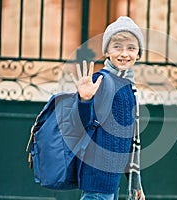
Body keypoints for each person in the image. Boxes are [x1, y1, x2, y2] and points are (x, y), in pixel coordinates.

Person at [71, 16, 146, 200]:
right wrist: (84, 100)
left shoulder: (128, 86)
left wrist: (136, 184)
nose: (124, 53)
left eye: (131, 48)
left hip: (112, 180)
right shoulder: (101, 81)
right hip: (98, 180)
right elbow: (79, 123)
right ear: (107, 51)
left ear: (138, 54)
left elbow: (130, 140)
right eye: (117, 47)